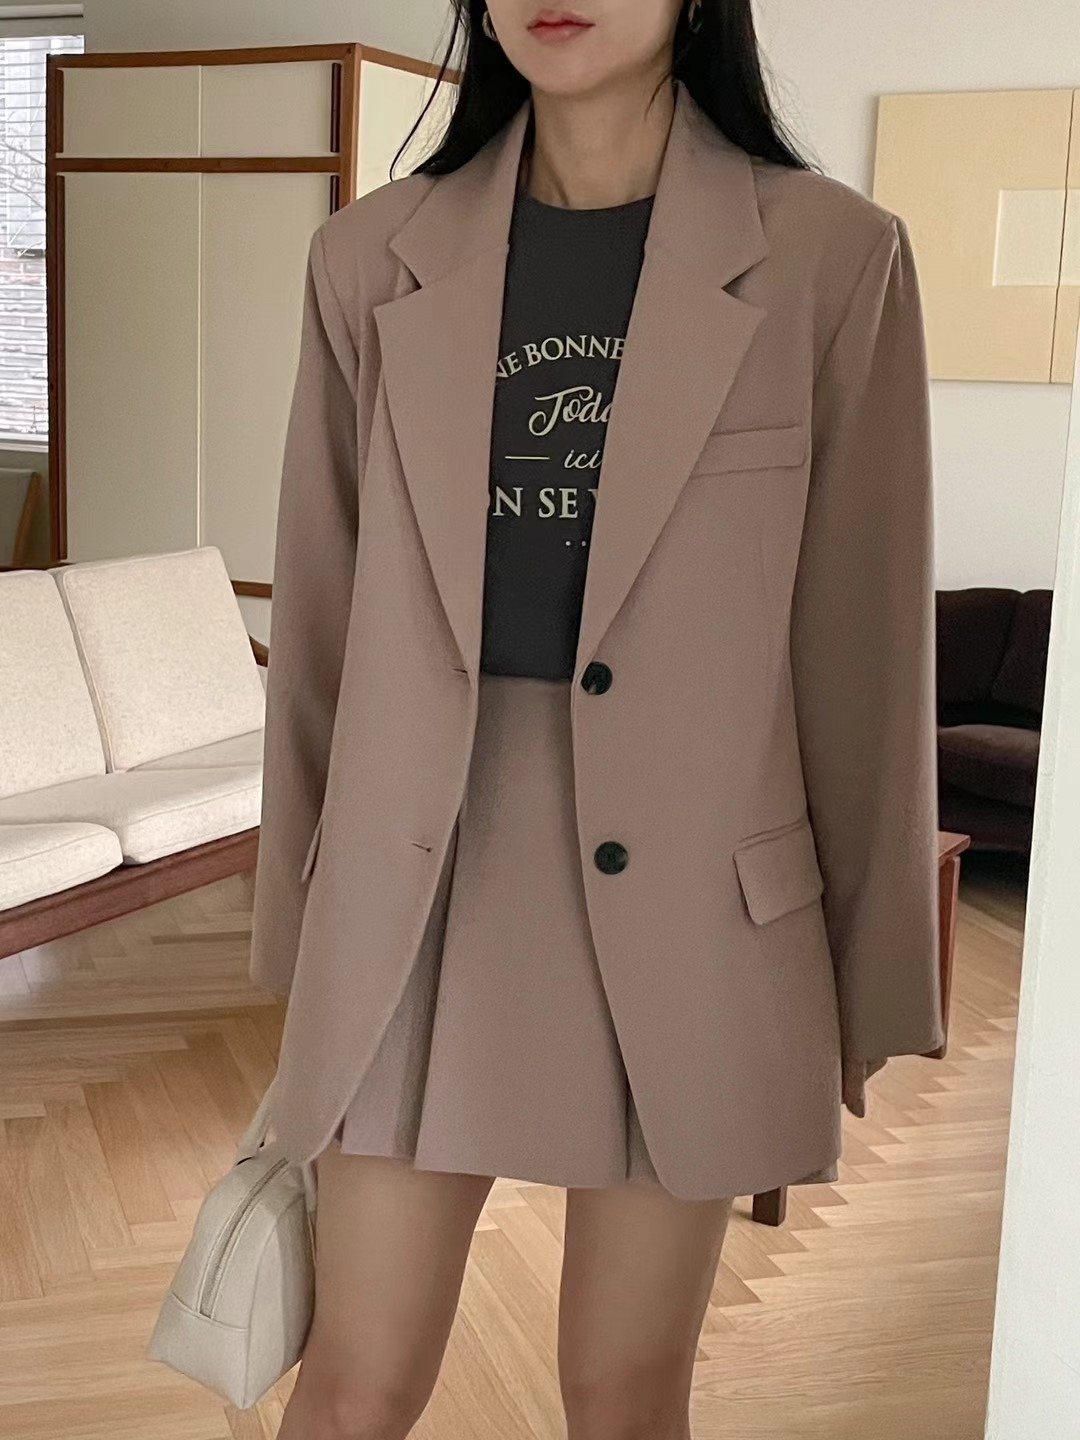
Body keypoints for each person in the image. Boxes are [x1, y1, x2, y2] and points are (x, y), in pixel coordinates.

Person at [252, 2, 945, 1436]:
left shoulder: (831, 257)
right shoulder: (370, 257)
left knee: (626, 1396)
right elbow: (321, 624)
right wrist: (296, 935)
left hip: (692, 909)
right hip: (415, 899)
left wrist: (873, 980)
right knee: (351, 1384)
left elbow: (864, 655)